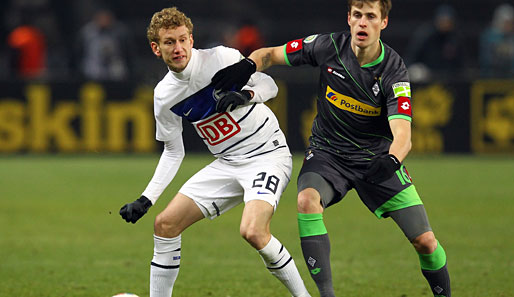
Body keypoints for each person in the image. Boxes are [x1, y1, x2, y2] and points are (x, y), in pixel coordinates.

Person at [211, 0, 451, 296]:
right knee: (306, 201)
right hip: (328, 155)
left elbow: (403, 135)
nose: (363, 22)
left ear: (383, 22)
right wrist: (248, 65)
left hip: (376, 160)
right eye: (358, 15)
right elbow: (270, 54)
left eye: (371, 16)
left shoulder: (394, 70)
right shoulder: (327, 46)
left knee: (426, 242)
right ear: (349, 19)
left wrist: (391, 161)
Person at [118, 7, 311, 297]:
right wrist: (147, 199)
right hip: (227, 163)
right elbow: (173, 151)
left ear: (192, 40)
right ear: (156, 49)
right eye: (170, 42)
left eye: (183, 39)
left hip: (267, 156)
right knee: (165, 224)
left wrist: (246, 95)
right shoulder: (164, 95)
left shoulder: (221, 58)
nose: (178, 47)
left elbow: (269, 85)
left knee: (253, 231)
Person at [404, 4, 465, 82]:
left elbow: (461, 63)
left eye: (448, 21)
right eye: (443, 20)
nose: (445, 24)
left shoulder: (455, 38)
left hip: (448, 77)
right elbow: (411, 57)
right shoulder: (426, 35)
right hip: (426, 74)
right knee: (417, 72)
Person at [76, 8, 135, 81]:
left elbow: (127, 53)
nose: (104, 21)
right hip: (93, 71)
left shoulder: (120, 32)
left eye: (106, 18)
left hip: (115, 72)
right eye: (101, 18)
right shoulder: (87, 33)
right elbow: (79, 53)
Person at [479, 3, 514, 78]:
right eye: (507, 22)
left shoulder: (511, 37)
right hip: (492, 78)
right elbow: (487, 60)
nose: (510, 26)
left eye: (512, 22)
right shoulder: (489, 36)